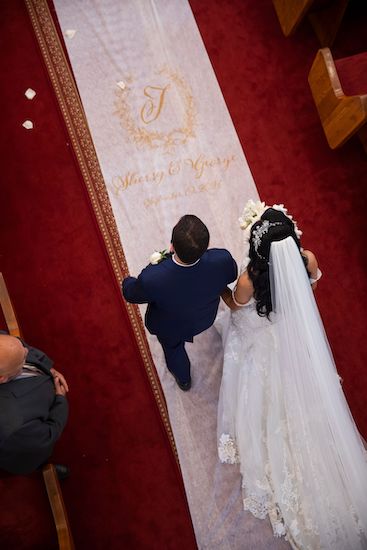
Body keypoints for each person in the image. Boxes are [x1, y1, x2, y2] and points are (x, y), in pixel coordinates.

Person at [217, 203, 367, 549]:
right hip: (290, 331)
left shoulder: (249, 279)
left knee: (261, 393)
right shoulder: (307, 259)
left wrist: (220, 290)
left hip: (261, 335)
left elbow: (235, 305)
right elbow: (311, 285)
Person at [122, 214, 237, 391]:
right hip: (204, 318)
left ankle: (184, 380)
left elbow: (131, 294)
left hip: (170, 328)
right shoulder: (222, 259)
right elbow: (231, 276)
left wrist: (127, 281)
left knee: (173, 348)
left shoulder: (153, 277)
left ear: (172, 246)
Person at [0, 332, 69, 477]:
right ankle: (43, 468)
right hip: (20, 449)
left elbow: (19, 345)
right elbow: (49, 434)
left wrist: (49, 369)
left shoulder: (6, 350)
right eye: (23, 358)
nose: (27, 350)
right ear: (2, 378)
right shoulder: (14, 423)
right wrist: (60, 399)